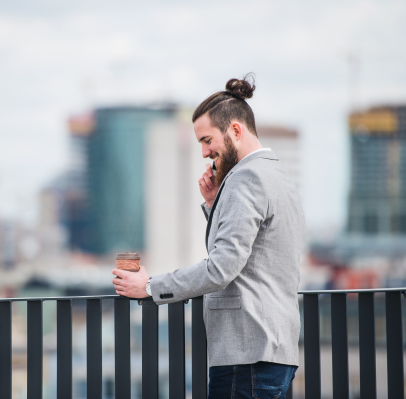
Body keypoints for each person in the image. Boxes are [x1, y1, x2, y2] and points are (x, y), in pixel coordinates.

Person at [112, 74, 305, 399]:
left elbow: (222, 268)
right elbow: (260, 252)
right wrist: (216, 204)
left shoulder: (246, 180)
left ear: (235, 130)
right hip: (276, 352)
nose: (203, 152)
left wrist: (148, 287)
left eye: (206, 140)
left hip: (247, 355)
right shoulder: (276, 174)